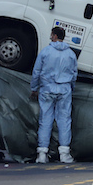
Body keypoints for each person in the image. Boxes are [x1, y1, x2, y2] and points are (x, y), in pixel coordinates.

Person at [30, 27, 78, 164]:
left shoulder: (46, 51)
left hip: (47, 89)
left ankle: (42, 154)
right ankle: (64, 153)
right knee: (64, 120)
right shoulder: (71, 54)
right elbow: (74, 74)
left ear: (55, 36)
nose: (51, 37)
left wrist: (34, 88)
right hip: (64, 89)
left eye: (52, 34)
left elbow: (37, 71)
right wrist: (71, 88)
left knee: (45, 119)